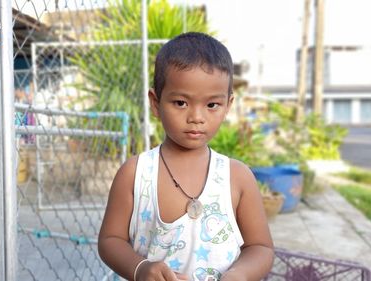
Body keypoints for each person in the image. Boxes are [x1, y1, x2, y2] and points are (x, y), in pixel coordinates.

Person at [98, 32, 274, 281]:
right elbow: (110, 240)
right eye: (181, 103)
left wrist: (240, 275)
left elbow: (261, 248)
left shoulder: (237, 177)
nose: (197, 117)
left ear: (228, 105)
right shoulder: (135, 174)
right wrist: (140, 268)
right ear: (156, 103)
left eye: (212, 105)